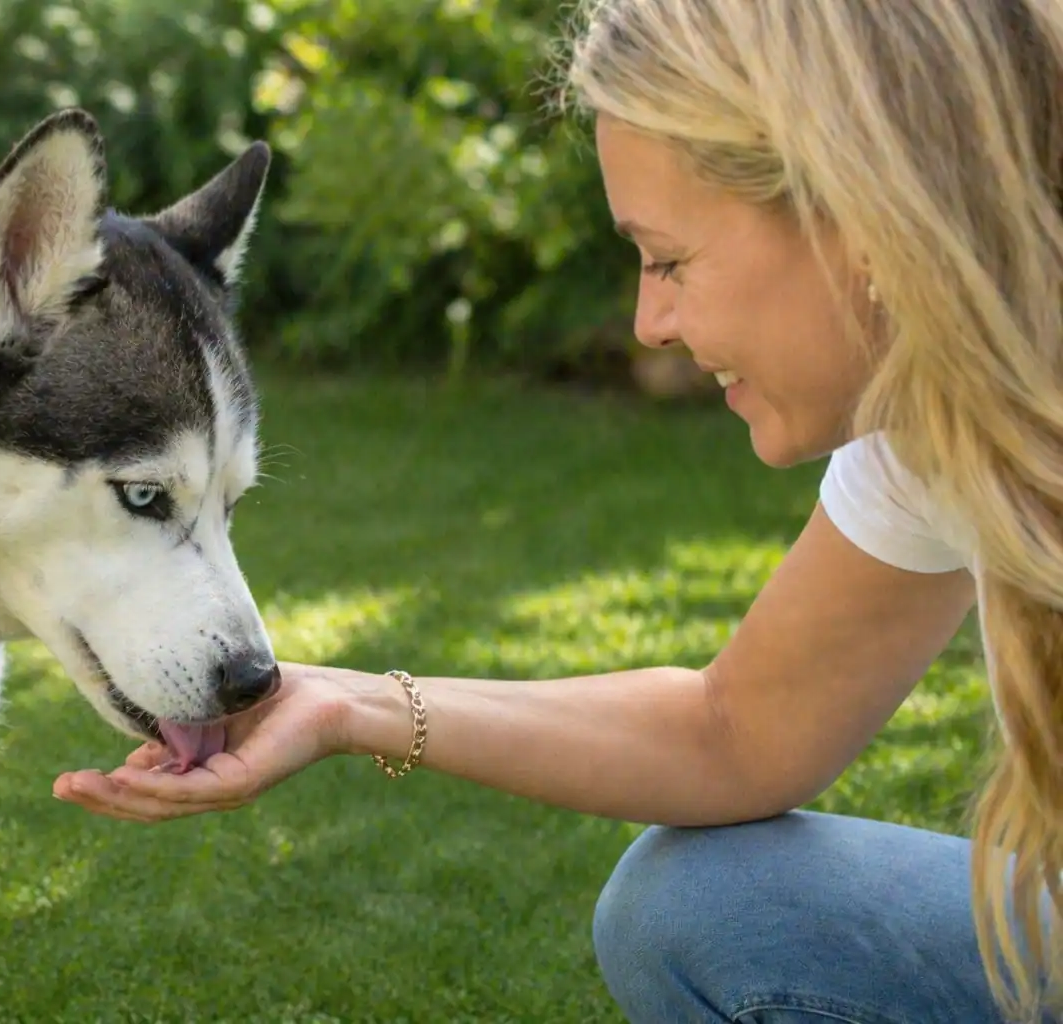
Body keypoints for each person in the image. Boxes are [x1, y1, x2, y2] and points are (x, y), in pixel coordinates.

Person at [53, 2, 1063, 1020]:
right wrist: (345, 706)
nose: (649, 323)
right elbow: (740, 732)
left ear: (864, 213)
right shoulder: (926, 421)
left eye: (669, 259)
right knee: (701, 908)